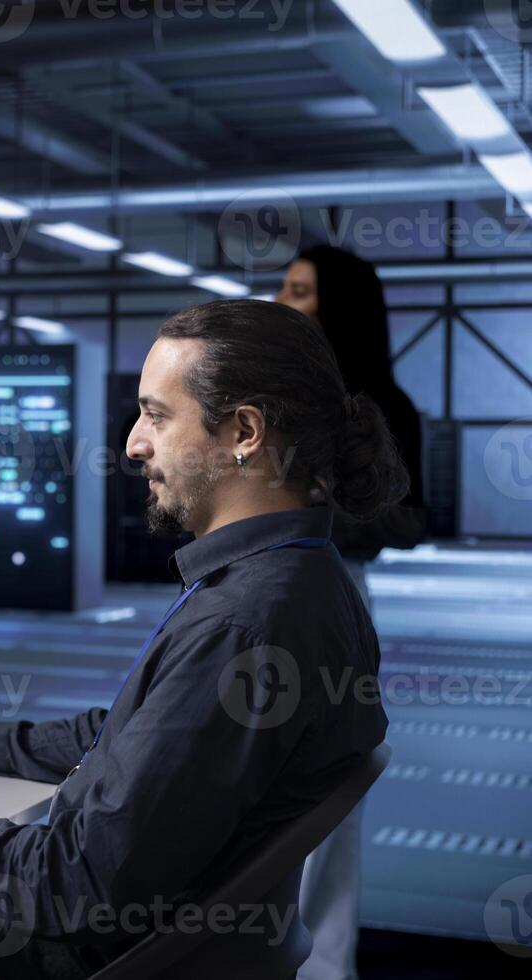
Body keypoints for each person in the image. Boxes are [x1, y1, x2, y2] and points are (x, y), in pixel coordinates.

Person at [0, 299, 407, 979]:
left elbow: (71, 881)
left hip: (66, 952)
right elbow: (136, 731)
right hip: (148, 939)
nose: (132, 443)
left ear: (244, 430)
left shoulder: (242, 625)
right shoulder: (306, 581)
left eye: (156, 415)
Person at [277, 245, 428, 980]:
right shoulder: (279, 397)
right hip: (271, 591)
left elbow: (411, 520)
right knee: (279, 793)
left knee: (329, 798)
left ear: (338, 308)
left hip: (333, 595)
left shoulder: (381, 408)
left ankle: (326, 965)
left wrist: (320, 512)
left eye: (299, 292)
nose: (282, 301)